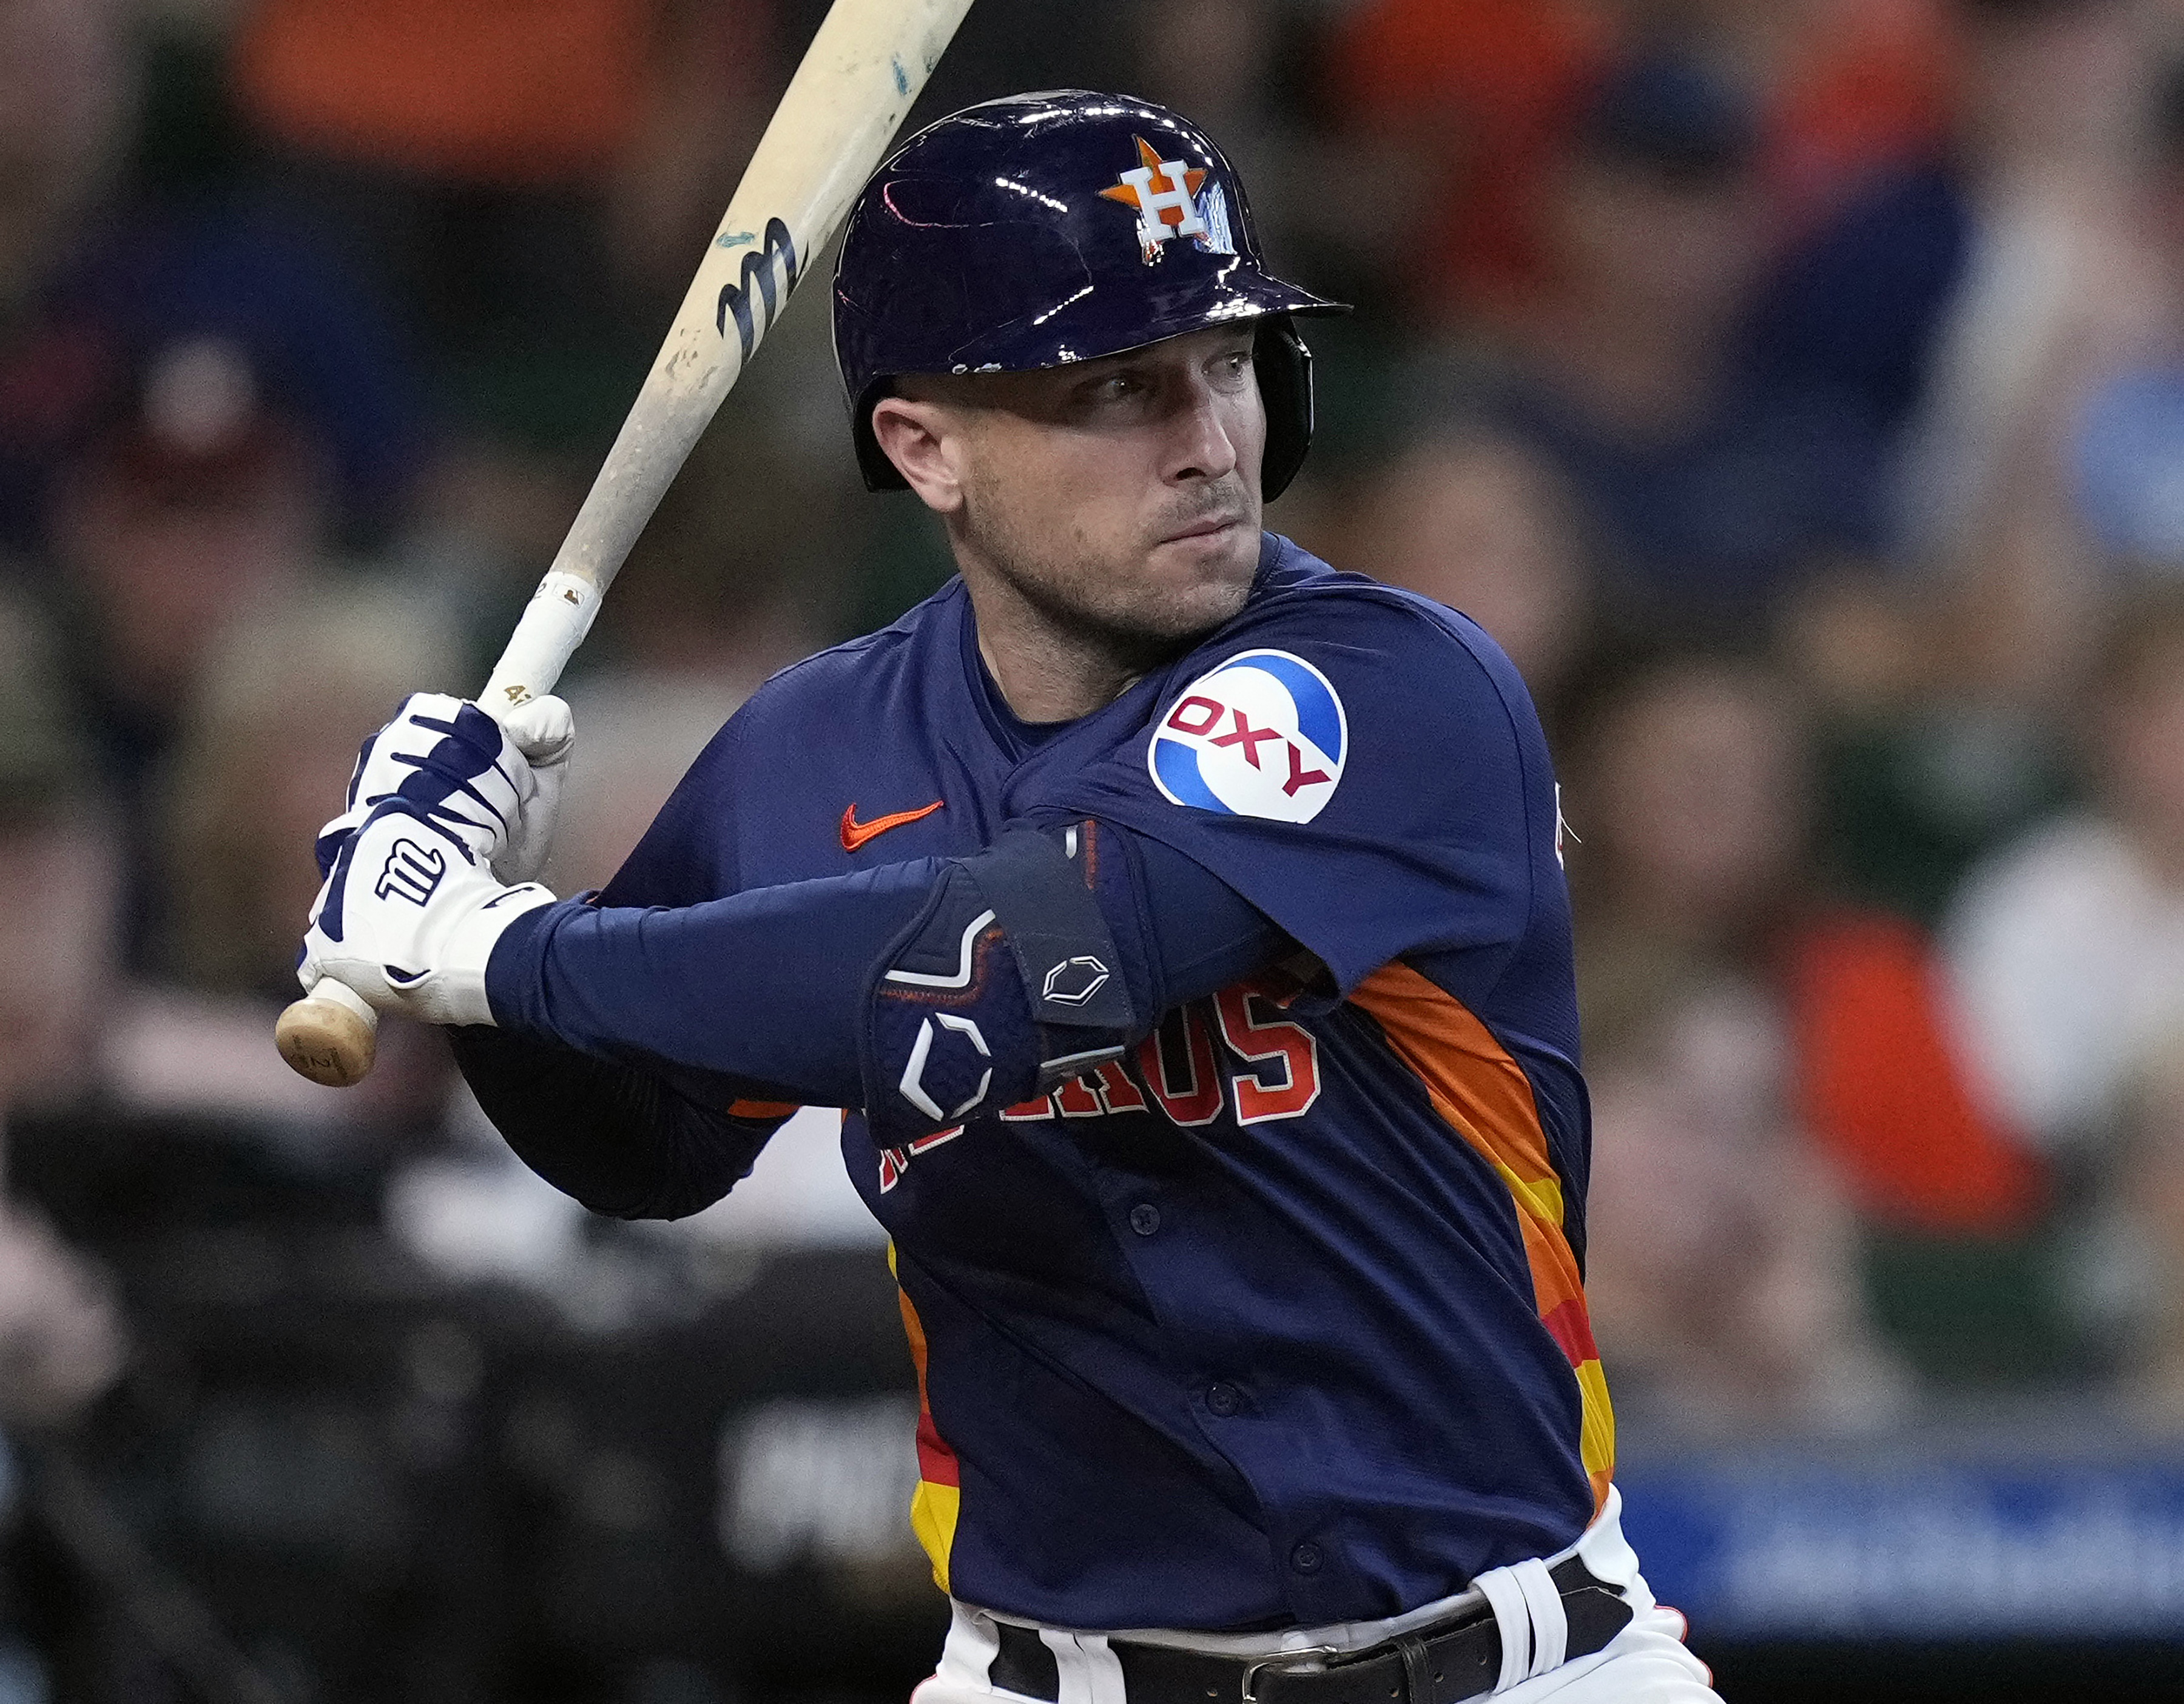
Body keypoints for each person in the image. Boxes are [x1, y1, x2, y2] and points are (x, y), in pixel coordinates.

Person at [291, 93, 1719, 1702]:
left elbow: (1005, 977)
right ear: (925, 448)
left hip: (1510, 1666)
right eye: (1117, 388)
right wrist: (464, 899)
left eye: (1230, 365)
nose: (1206, 441)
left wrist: (488, 947)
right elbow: (644, 1144)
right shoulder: (810, 749)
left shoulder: (1388, 688)